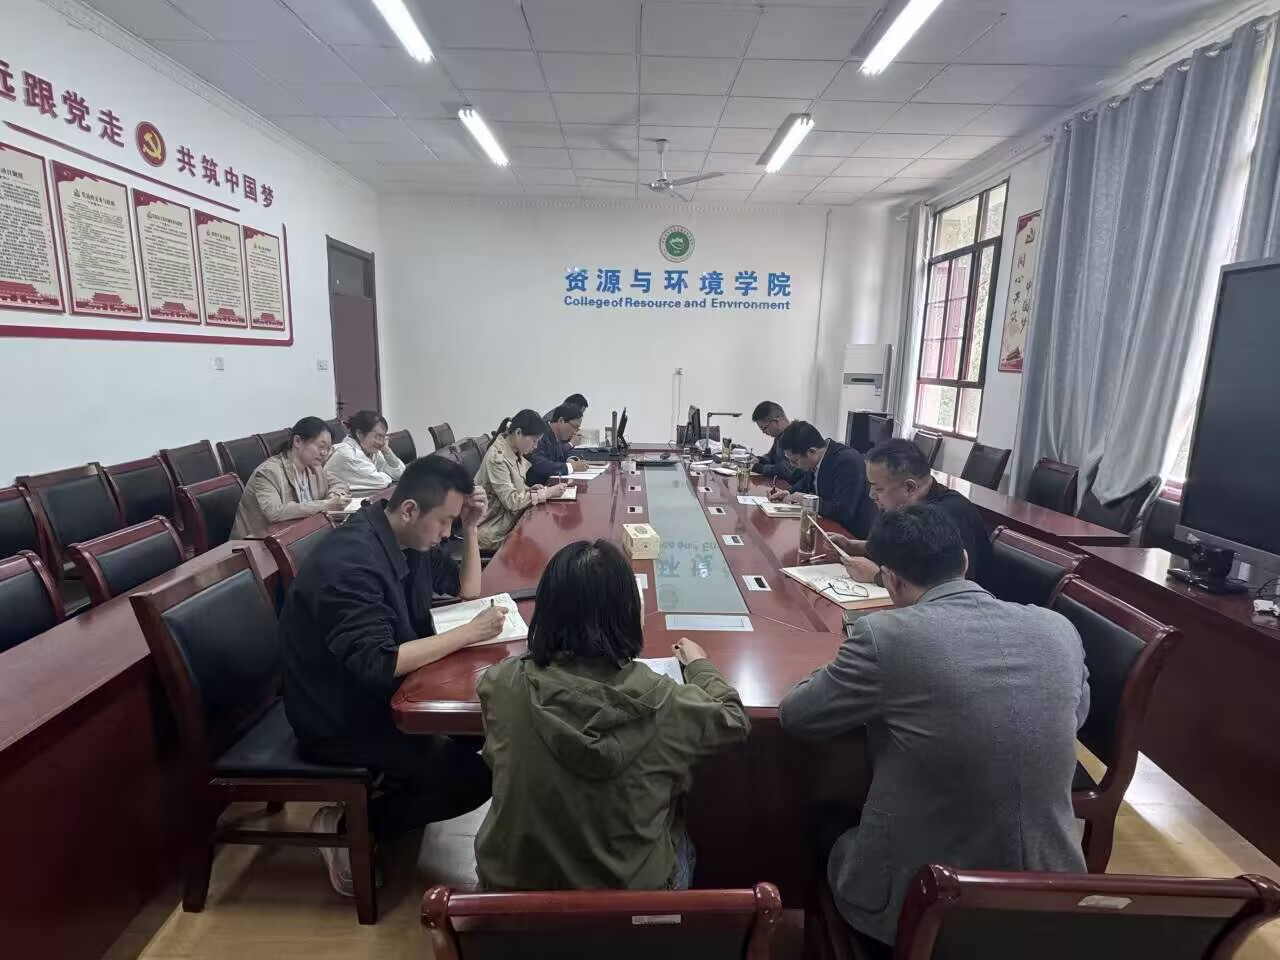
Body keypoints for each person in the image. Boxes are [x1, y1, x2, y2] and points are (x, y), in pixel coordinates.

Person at [779, 505, 1089, 950]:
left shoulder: (885, 636)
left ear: (889, 579)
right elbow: (1075, 716)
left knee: (823, 817)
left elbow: (798, 716)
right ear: (964, 561)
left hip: (927, 901)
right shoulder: (1058, 628)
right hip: (1048, 893)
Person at [280, 456, 502, 895]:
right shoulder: (351, 564)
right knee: (474, 780)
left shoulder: (406, 539)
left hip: (388, 693)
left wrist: (472, 528)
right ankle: (352, 827)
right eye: (445, 522)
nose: (447, 535)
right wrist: (468, 633)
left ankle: (391, 799)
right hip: (337, 715)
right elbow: (378, 662)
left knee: (490, 733)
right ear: (410, 510)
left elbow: (468, 589)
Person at [475, 539, 750, 891]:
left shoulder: (503, 683)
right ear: (630, 614)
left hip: (510, 904)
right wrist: (699, 665)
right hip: (630, 912)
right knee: (683, 831)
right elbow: (733, 719)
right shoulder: (669, 702)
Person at [830, 439, 994, 588]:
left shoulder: (951, 515)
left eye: (879, 489)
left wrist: (877, 577)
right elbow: (902, 550)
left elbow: (947, 583)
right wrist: (853, 546)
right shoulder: (903, 505)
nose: (871, 495)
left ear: (909, 487)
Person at [231, 416, 350, 538]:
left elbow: (338, 483)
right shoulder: (268, 472)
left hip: (297, 535)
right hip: (258, 542)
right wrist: (326, 504)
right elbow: (275, 512)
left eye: (328, 449)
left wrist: (334, 495)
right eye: (320, 446)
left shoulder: (314, 467)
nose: (324, 453)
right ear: (297, 441)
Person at [475, 410, 566, 552]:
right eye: (534, 441)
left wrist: (529, 489)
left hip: (509, 523)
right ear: (518, 433)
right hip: (494, 533)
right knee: (546, 543)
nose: (535, 446)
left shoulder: (513, 451)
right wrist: (547, 493)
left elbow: (512, 487)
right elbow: (512, 501)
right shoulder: (497, 459)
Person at [770, 421, 878, 538]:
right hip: (828, 528)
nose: (792, 465)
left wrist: (805, 500)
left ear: (811, 451)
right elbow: (806, 483)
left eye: (795, 461)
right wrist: (789, 493)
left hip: (852, 536)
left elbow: (842, 512)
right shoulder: (818, 458)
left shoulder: (847, 462)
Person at [324, 410, 407, 491]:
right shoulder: (347, 454)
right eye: (378, 436)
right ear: (360, 434)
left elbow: (399, 474)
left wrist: (386, 450)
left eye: (384, 437)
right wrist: (386, 475)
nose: (381, 442)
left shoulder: (372, 452)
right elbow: (381, 482)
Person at [526, 403, 589, 486]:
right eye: (575, 427)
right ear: (561, 421)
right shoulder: (541, 434)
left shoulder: (560, 435)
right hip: (536, 486)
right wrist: (571, 466)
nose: (575, 432)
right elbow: (540, 465)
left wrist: (571, 459)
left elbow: (564, 453)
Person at [750, 400, 801, 484]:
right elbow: (771, 457)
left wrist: (758, 468)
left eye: (764, 428)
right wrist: (758, 459)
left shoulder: (796, 436)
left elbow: (787, 471)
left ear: (776, 421)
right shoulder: (779, 437)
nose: (763, 432)